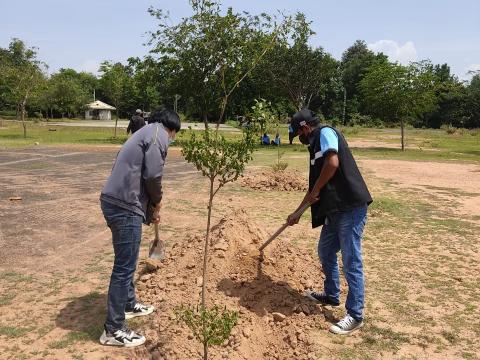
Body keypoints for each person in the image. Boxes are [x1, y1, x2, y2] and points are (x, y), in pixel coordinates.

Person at [99, 109, 181, 347]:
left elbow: (139, 172)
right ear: (173, 129)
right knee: (124, 267)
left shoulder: (145, 131)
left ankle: (128, 303)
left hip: (117, 201)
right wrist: (157, 202)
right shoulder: (159, 135)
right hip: (124, 205)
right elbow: (153, 175)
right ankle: (112, 330)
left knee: (127, 261)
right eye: (174, 135)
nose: (172, 139)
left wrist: (149, 212)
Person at [286, 109, 372, 335]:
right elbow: (313, 188)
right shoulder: (315, 147)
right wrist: (296, 213)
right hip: (334, 211)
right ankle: (332, 295)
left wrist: (316, 190)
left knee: (351, 262)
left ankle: (355, 315)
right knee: (325, 251)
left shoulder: (325, 133)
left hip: (350, 208)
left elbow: (333, 163)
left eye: (298, 134)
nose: (300, 139)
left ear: (305, 128)